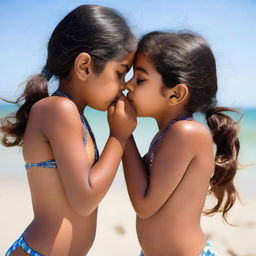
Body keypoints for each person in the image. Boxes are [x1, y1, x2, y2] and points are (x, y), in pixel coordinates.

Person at [1, 5, 136, 256]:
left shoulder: (73, 115)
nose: (124, 86)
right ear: (84, 66)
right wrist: (118, 136)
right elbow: (84, 200)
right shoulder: (59, 110)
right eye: (120, 73)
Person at [123, 31, 240, 256]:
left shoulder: (185, 133)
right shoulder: (168, 133)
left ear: (176, 94)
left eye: (139, 79)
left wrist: (123, 136)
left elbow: (145, 205)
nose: (128, 85)